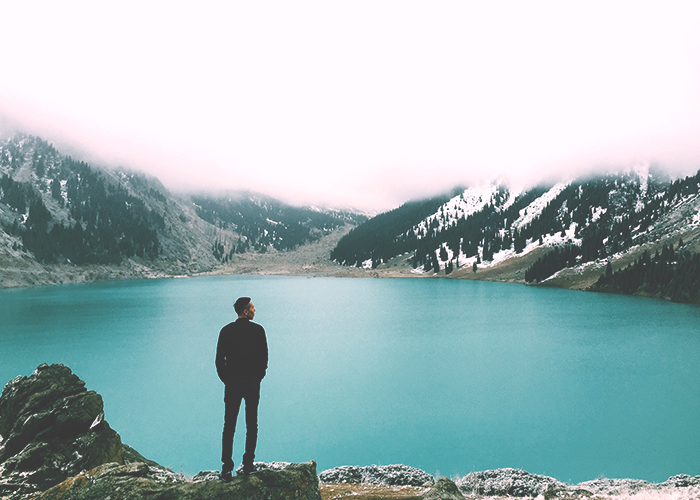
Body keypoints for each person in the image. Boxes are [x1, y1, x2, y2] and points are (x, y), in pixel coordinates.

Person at [215, 297, 268, 480]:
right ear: (245, 311)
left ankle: (227, 468)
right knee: (251, 425)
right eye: (252, 307)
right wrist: (258, 377)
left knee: (229, 425)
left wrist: (227, 380)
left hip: (233, 384)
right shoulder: (258, 330)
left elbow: (219, 360)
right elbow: (264, 357)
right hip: (252, 384)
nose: (255, 310)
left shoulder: (226, 331)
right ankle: (248, 465)